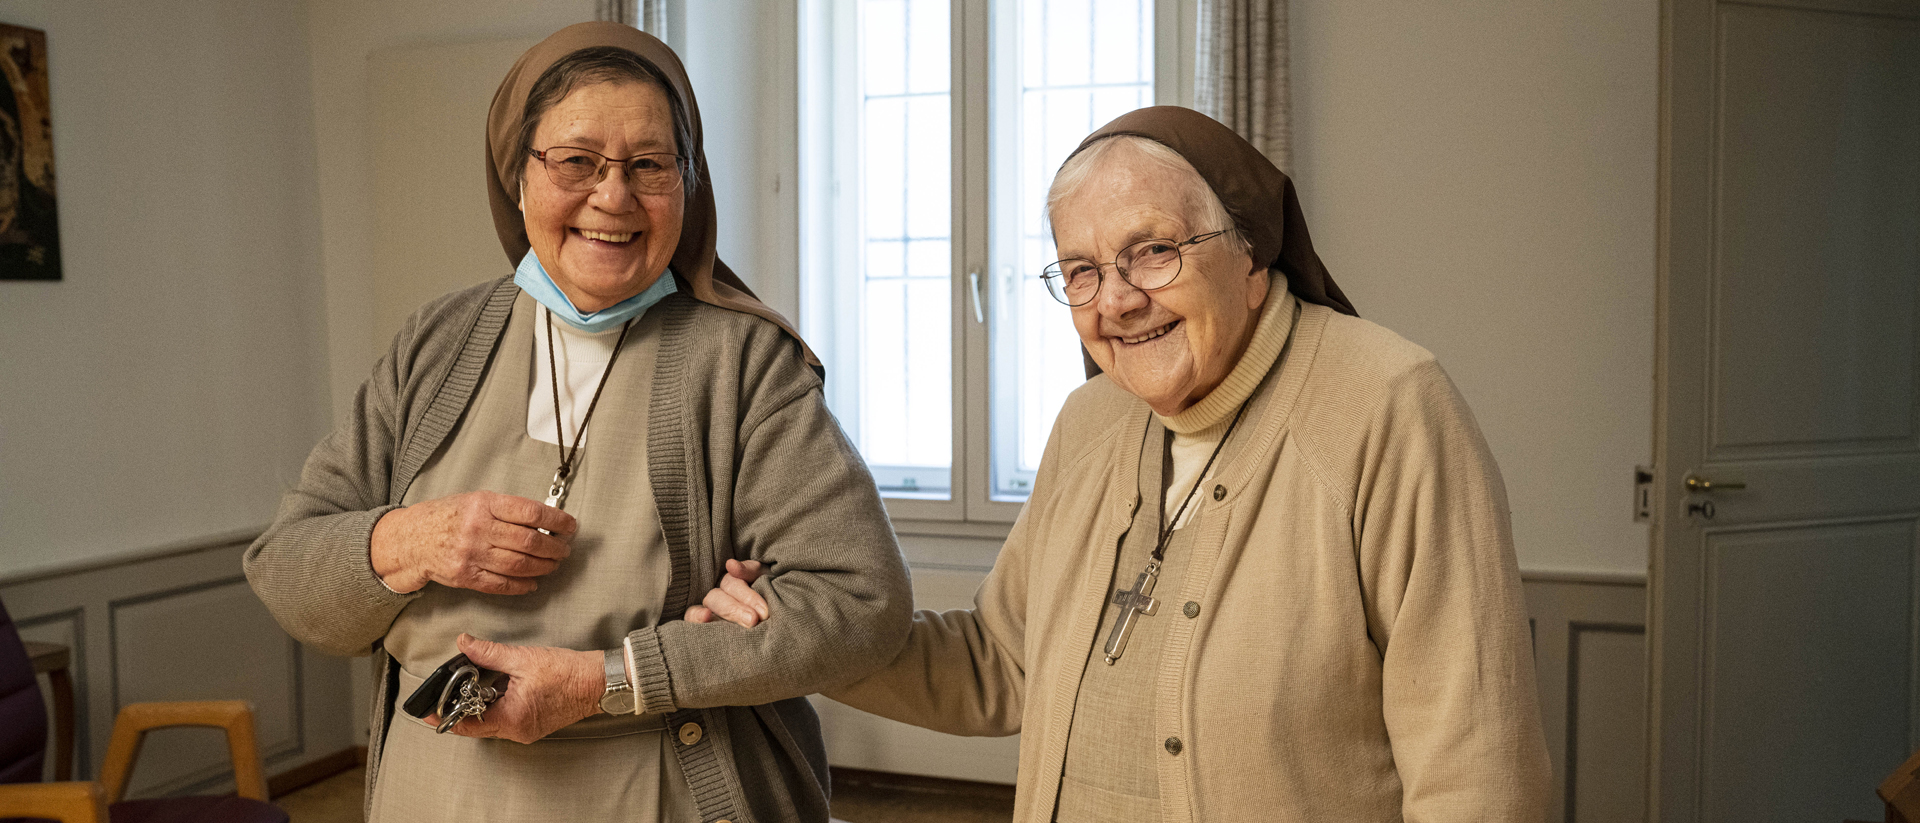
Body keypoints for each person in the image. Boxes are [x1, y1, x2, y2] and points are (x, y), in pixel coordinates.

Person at [700, 107, 1551, 821]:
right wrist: (796, 628)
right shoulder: (1089, 421)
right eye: (1081, 270)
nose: (1116, 299)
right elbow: (1001, 664)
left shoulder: (1391, 405)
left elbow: (1476, 771)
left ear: (1251, 257)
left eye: (1152, 251)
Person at [243, 23, 909, 823]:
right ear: (517, 177)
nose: (614, 195)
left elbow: (865, 602)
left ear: (687, 186)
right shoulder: (436, 341)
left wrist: (612, 678)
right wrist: (409, 540)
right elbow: (283, 564)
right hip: (440, 793)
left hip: (654, 791)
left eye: (649, 165)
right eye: (576, 161)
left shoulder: (745, 364)